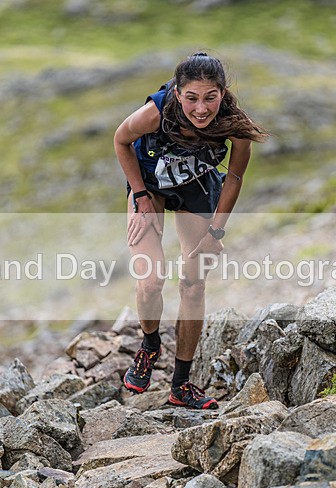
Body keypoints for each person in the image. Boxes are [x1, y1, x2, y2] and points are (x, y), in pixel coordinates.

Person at [114, 52, 268, 409]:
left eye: (210, 97)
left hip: (196, 187)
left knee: (193, 282)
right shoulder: (155, 113)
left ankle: (181, 385)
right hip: (149, 184)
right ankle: (150, 346)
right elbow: (121, 140)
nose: (201, 109)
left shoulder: (233, 123)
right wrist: (139, 196)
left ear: (223, 93)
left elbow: (235, 176)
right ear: (179, 94)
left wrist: (215, 234)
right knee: (150, 280)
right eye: (192, 98)